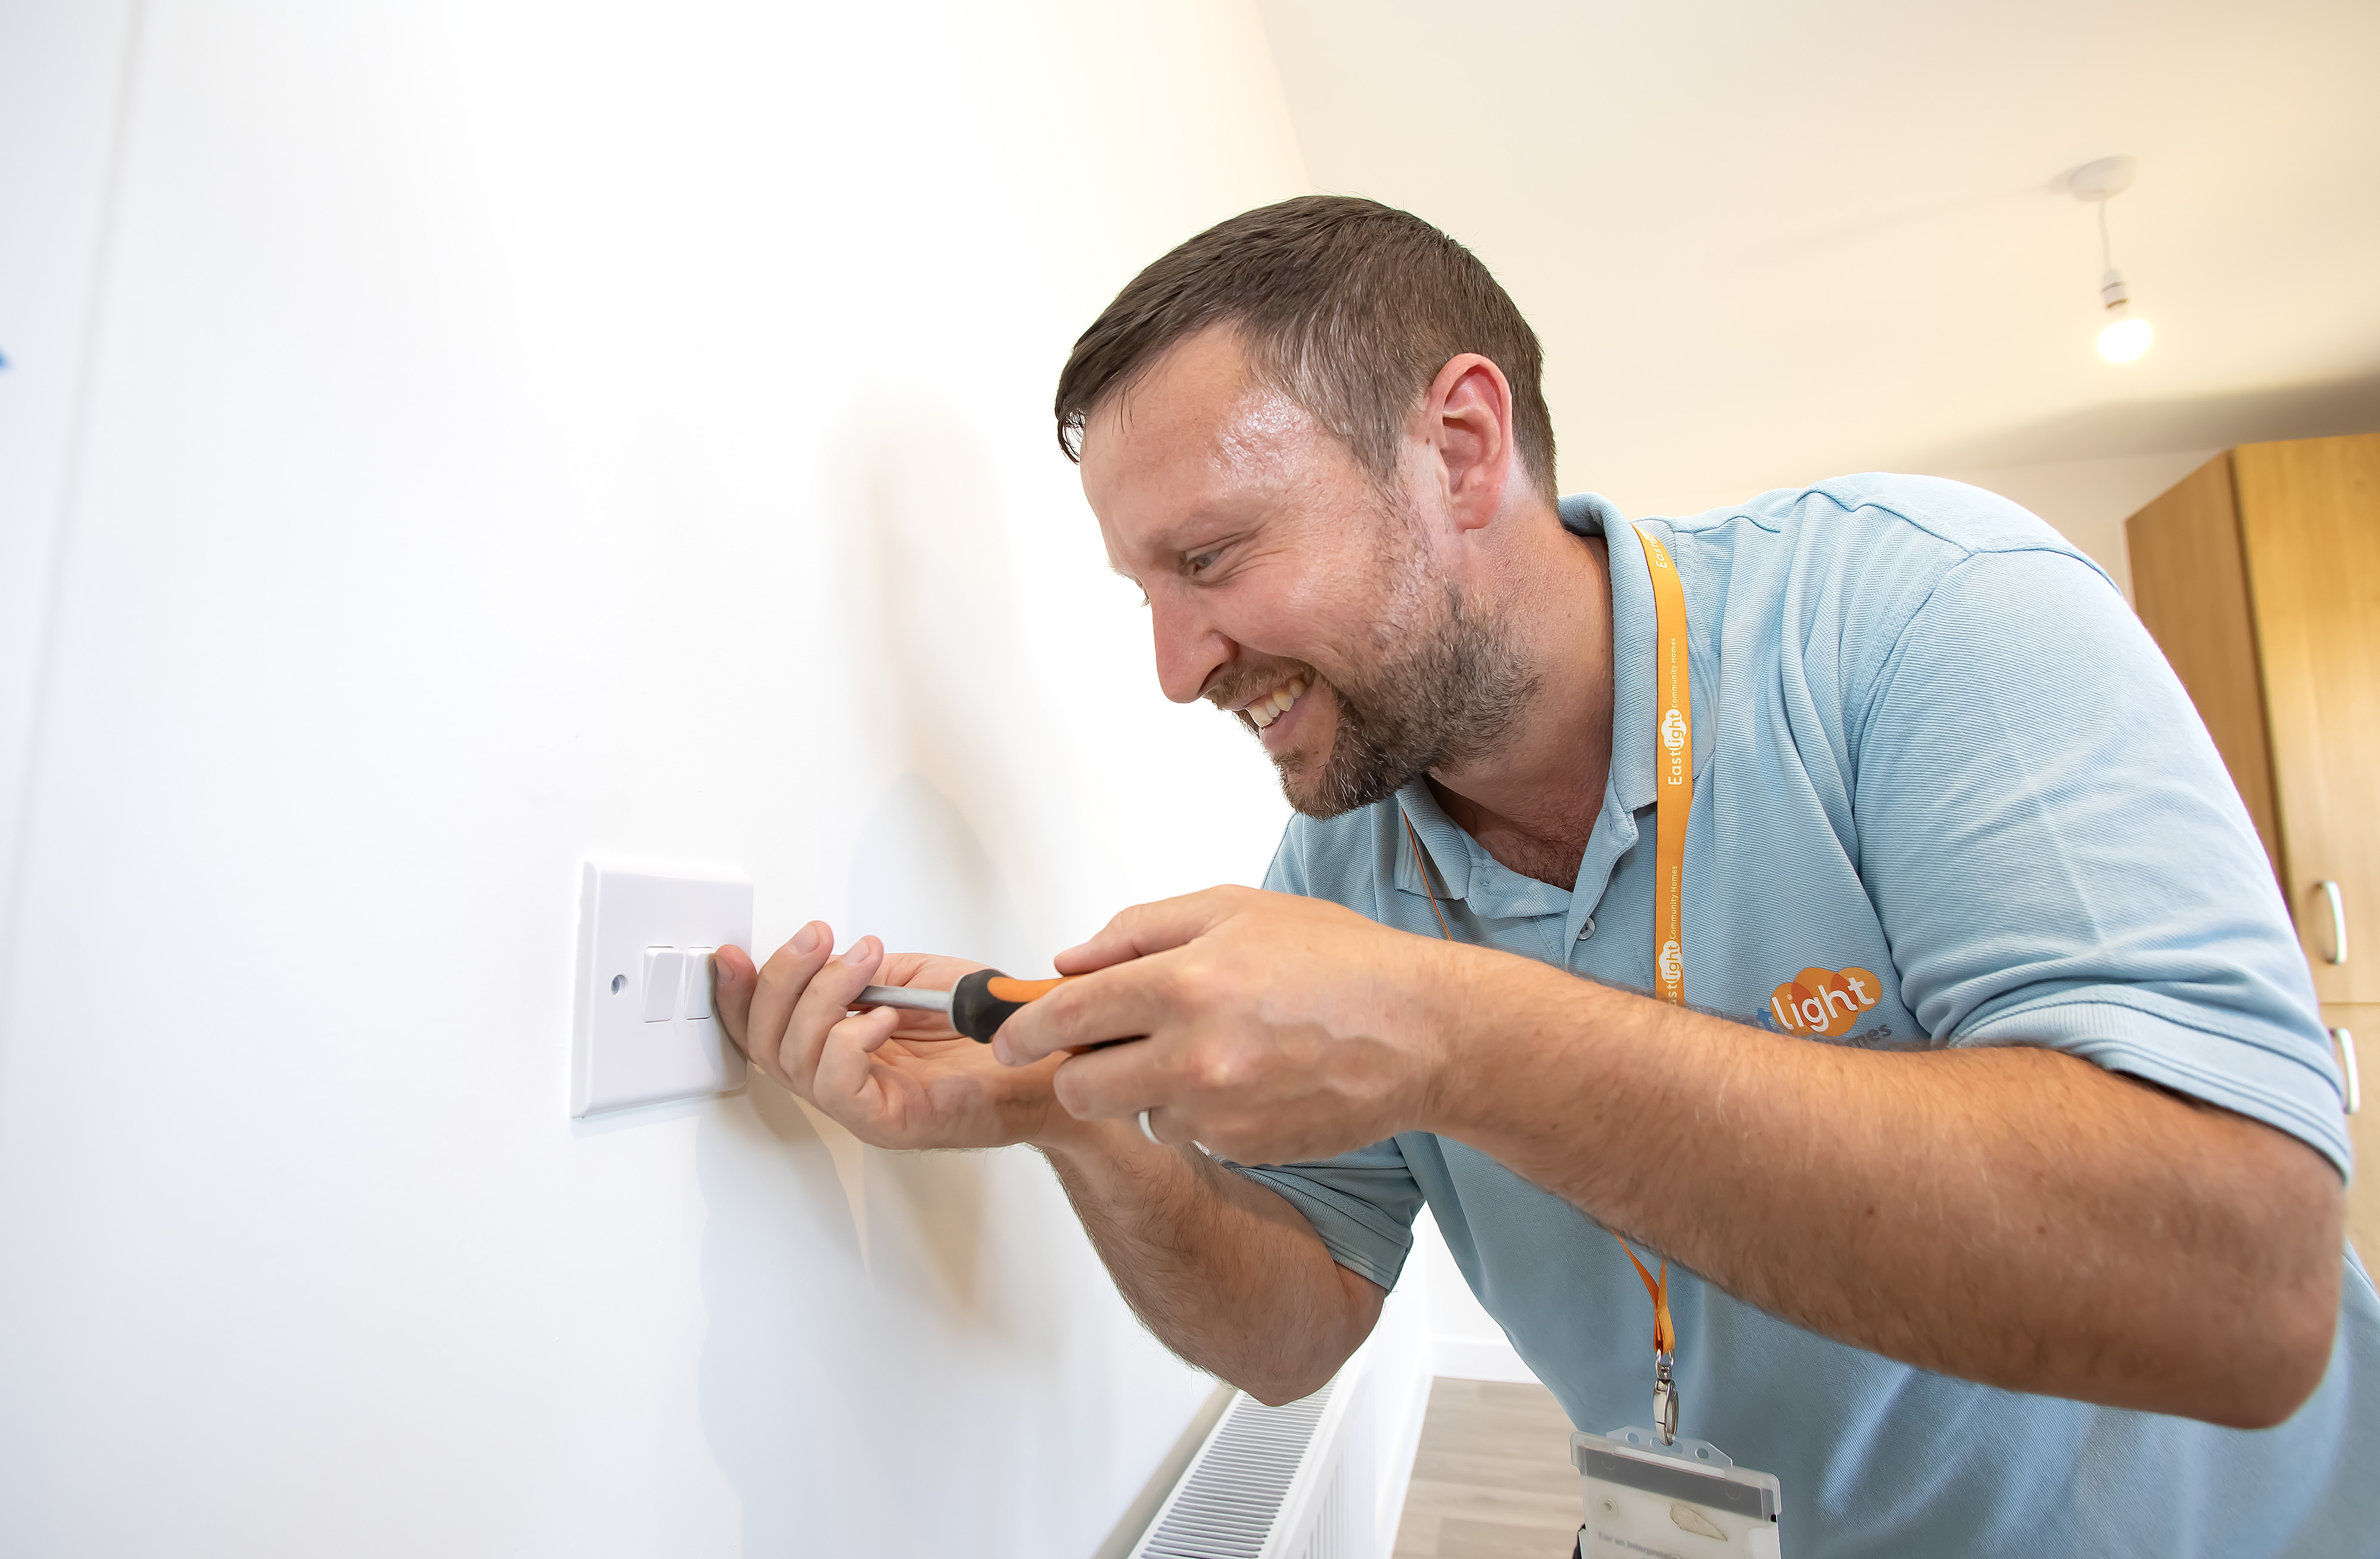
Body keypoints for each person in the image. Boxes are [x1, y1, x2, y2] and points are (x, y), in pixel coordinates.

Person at [715, 197, 2375, 1555]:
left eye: (1210, 558)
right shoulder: (1340, 860)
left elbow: (2245, 1293)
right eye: (1142, 586)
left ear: (1453, 446)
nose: (1173, 663)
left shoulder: (1923, 616)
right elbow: (1296, 1321)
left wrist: (1447, 1032)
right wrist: (1069, 1121)